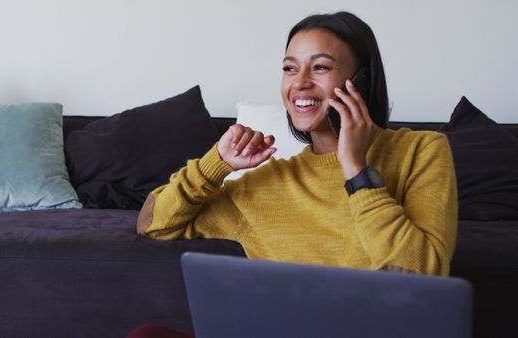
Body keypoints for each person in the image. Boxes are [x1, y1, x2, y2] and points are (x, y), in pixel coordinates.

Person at [128, 10, 458, 338]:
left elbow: (421, 278)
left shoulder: (422, 150)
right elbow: (153, 224)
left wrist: (355, 168)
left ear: (360, 81)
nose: (300, 83)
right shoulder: (268, 184)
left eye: (320, 67)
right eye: (289, 68)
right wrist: (215, 164)